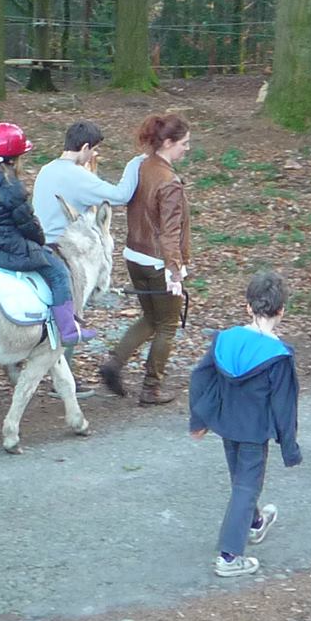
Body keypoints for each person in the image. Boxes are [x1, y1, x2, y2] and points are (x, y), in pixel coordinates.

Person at [188, 269, 301, 579]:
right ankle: (229, 556)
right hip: (254, 432)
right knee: (247, 485)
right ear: (281, 311)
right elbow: (284, 406)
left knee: (240, 481)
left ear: (248, 307)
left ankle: (254, 523)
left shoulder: (224, 340)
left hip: (226, 425)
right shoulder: (278, 356)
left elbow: (200, 376)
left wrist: (198, 419)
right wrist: (290, 449)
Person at [0, 123, 96, 347]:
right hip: (9, 248)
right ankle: (68, 330)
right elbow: (28, 225)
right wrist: (40, 240)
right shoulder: (12, 188)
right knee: (59, 271)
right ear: (15, 158)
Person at [98, 112, 193, 406]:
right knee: (167, 324)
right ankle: (151, 388)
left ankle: (114, 363)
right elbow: (170, 232)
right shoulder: (170, 183)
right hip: (157, 263)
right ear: (167, 142)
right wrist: (175, 271)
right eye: (184, 143)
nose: (187, 148)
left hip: (134, 256)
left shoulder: (141, 165)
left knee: (151, 318)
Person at [30, 120, 146, 244]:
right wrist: (135, 163)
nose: (93, 154)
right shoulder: (78, 177)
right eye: (93, 149)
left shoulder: (46, 169)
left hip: (40, 243)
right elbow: (121, 196)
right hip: (62, 248)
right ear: (85, 148)